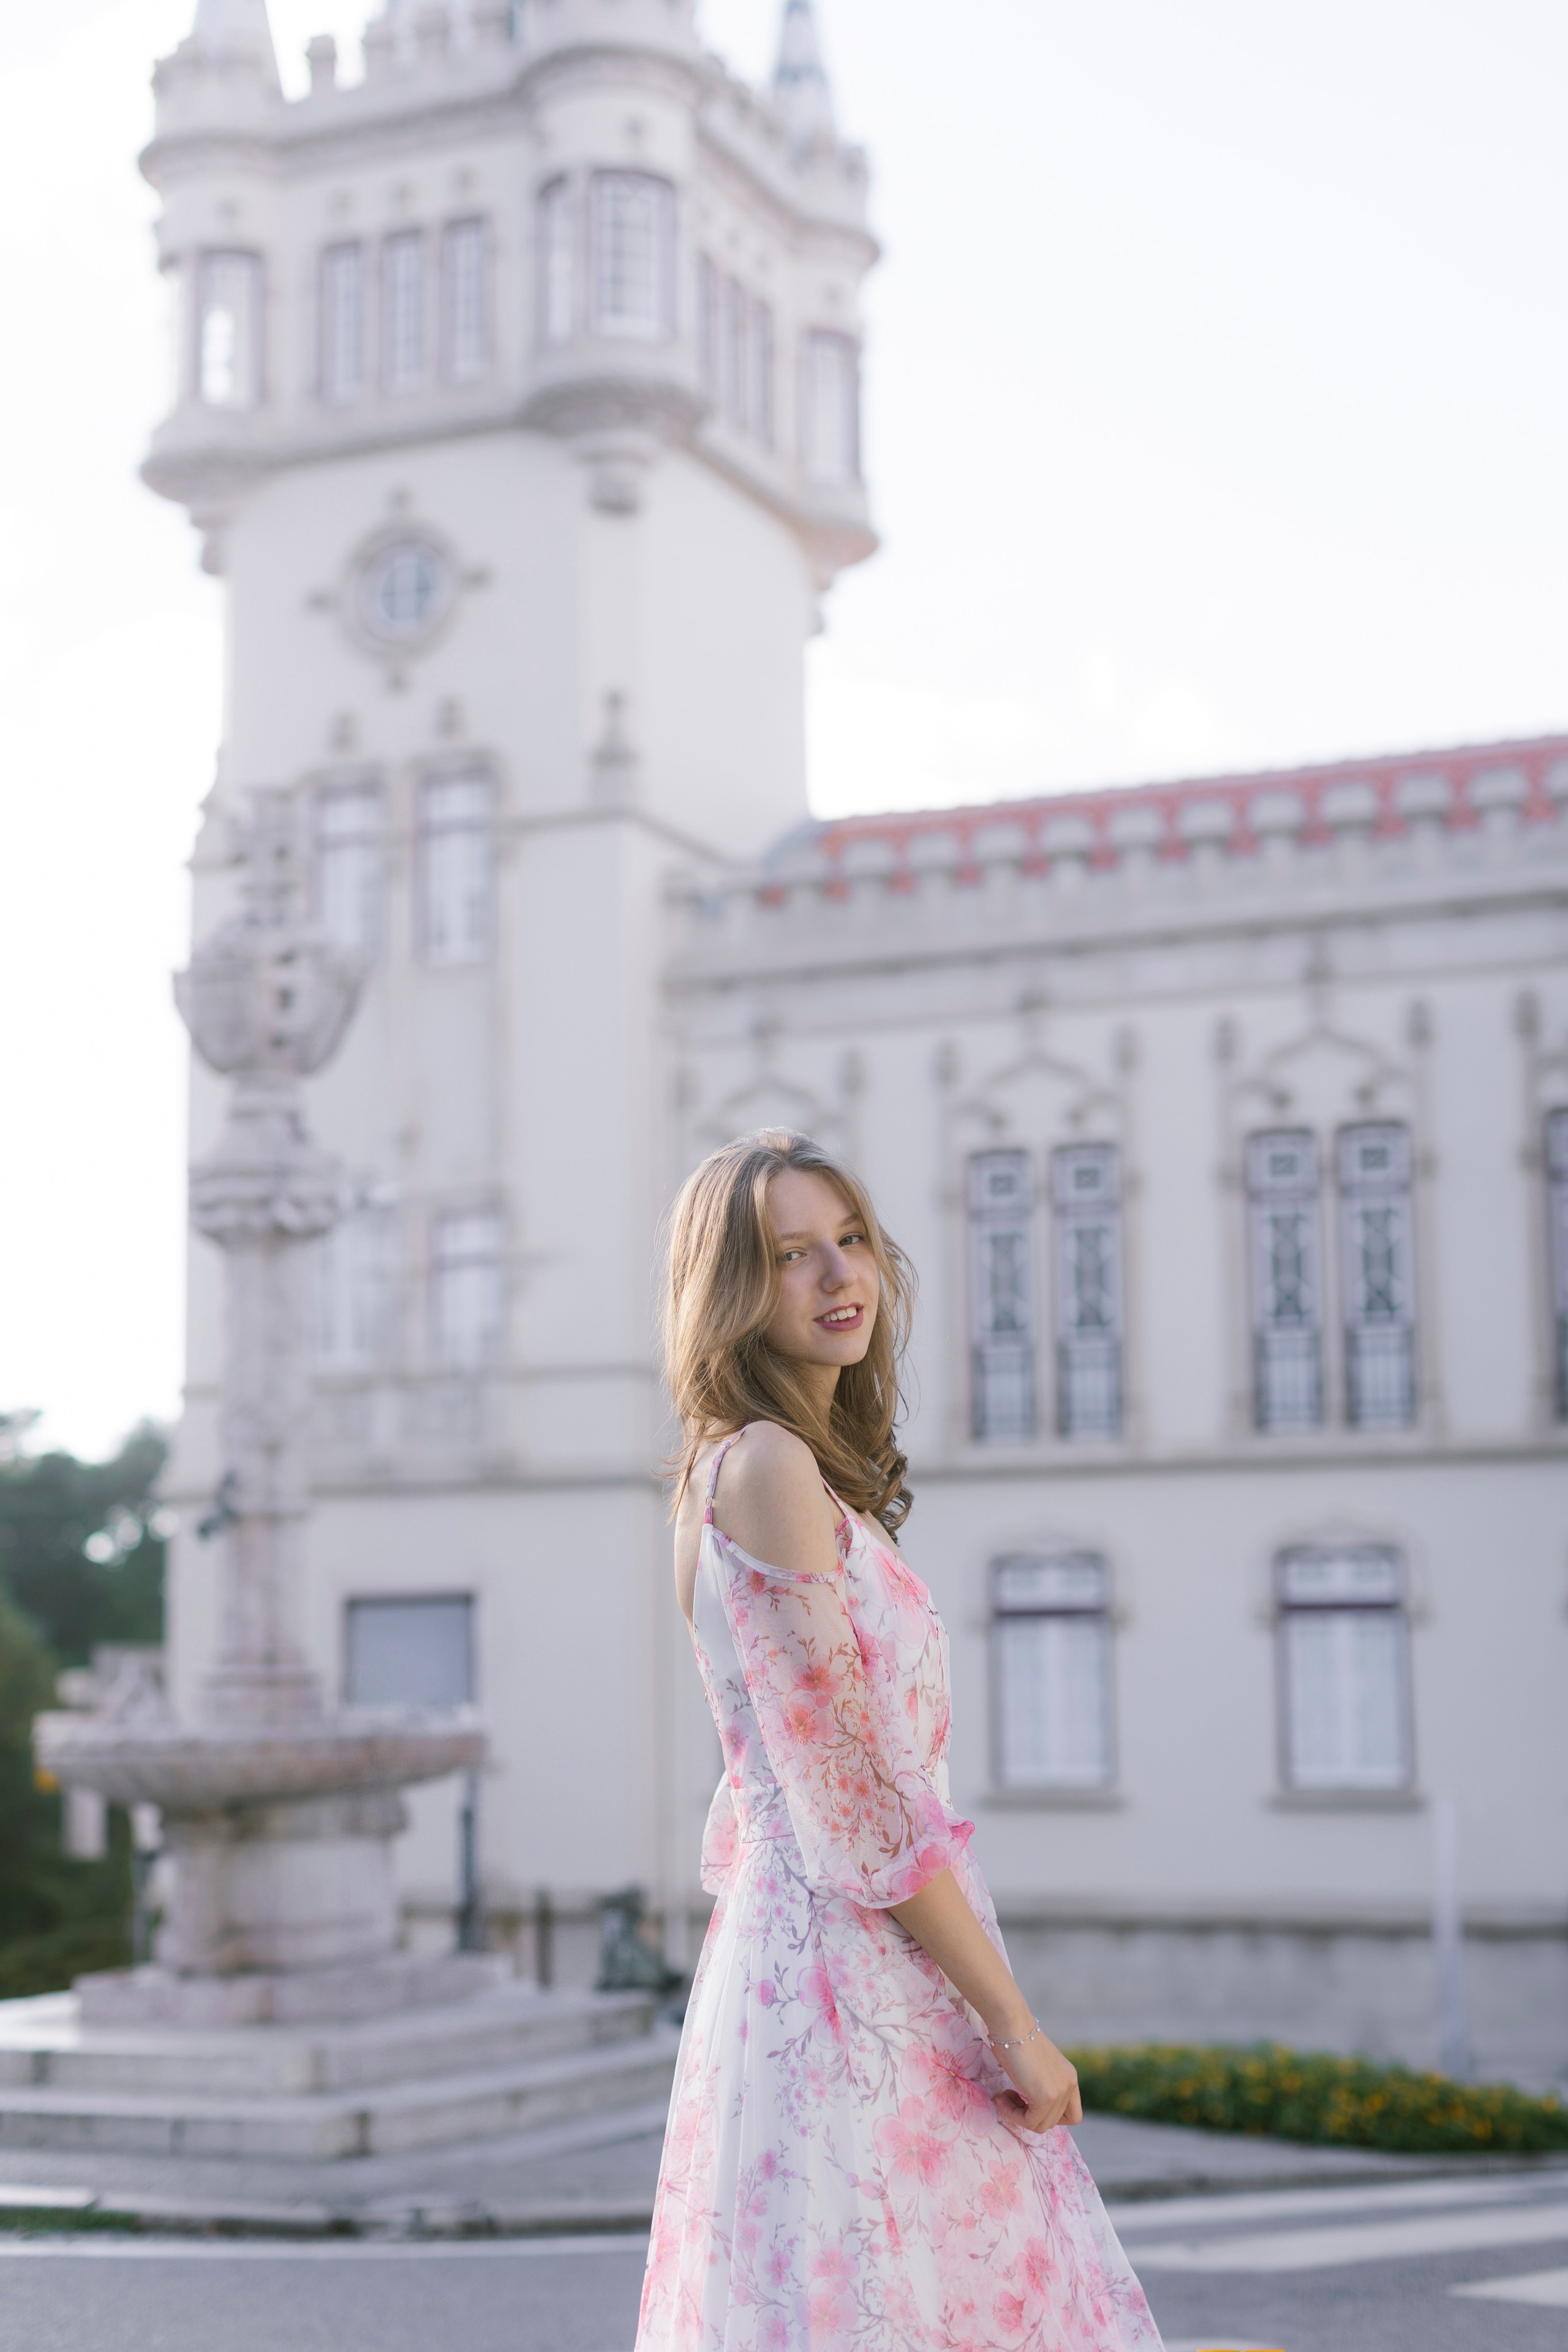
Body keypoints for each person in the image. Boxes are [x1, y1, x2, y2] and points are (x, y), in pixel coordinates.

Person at [635, 1130, 1163, 2352]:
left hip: (838, 1948)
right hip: (843, 1971)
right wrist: (1011, 2023)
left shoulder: (792, 1477)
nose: (837, 1278)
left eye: (850, 1240)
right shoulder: (762, 1468)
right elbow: (853, 1797)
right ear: (727, 1291)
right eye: (788, 1256)